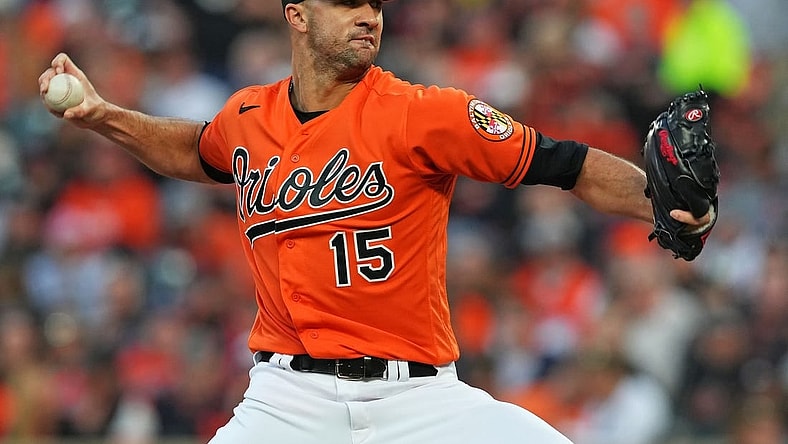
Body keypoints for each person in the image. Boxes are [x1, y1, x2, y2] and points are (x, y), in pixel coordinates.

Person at [38, 0, 712, 442]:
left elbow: (566, 164)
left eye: (376, 5)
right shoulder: (248, 117)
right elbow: (196, 149)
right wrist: (104, 115)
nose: (368, 16)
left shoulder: (426, 111)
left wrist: (667, 201)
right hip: (285, 400)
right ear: (297, 15)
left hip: (418, 402)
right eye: (347, 3)